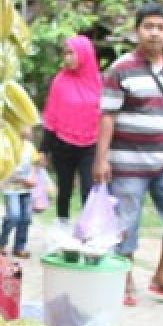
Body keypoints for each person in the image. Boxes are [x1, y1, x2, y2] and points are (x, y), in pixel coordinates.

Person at [93, 2, 163, 307]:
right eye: (148, 26)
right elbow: (108, 116)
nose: (154, 32)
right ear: (137, 31)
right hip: (126, 161)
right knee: (125, 223)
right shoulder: (120, 69)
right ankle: (124, 278)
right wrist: (101, 158)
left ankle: (162, 277)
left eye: (161, 27)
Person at [41, 34, 102, 220]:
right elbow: (51, 117)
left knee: (88, 191)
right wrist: (43, 151)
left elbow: (106, 117)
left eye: (72, 53)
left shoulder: (99, 82)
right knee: (64, 190)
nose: (68, 58)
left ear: (85, 54)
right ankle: (62, 228)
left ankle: (88, 232)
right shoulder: (60, 81)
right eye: (65, 53)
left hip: (91, 145)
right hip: (62, 144)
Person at [0, 126, 39, 258]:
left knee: (26, 218)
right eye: (23, 125)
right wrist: (20, 179)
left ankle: (19, 246)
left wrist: (32, 177)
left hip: (26, 189)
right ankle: (1, 244)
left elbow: (33, 164)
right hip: (11, 189)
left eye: (29, 126)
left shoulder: (30, 147)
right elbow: (3, 167)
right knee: (13, 216)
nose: (27, 129)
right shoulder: (6, 145)